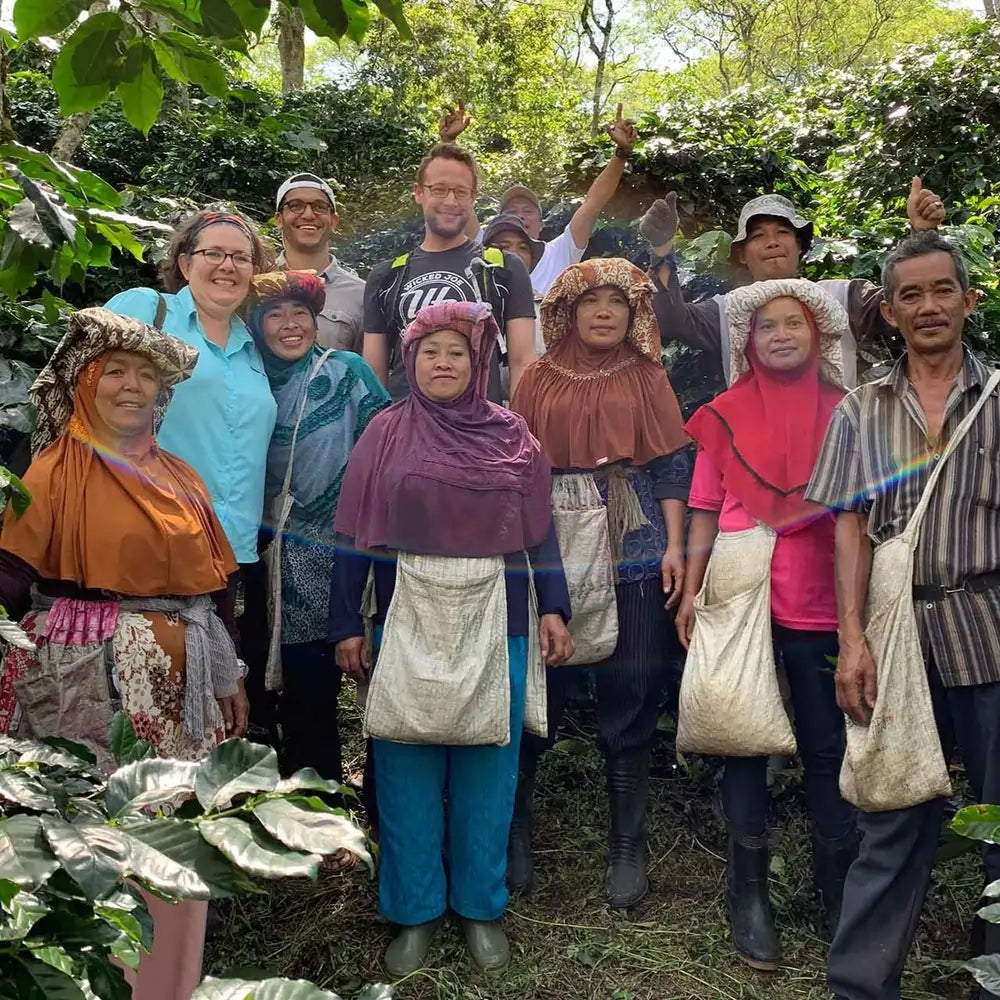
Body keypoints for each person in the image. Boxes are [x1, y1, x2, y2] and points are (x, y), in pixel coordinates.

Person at [0, 307, 246, 1000]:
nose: (133, 387)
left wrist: (229, 676)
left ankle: (168, 984)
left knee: (172, 837)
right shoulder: (52, 473)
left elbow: (217, 591)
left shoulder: (183, 477)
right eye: (115, 372)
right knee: (91, 840)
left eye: (146, 375)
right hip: (82, 695)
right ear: (84, 383)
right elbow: (10, 579)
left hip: (180, 693)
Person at [330, 300, 574, 977]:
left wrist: (555, 608)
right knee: (404, 763)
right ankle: (413, 912)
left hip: (498, 612)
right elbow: (351, 531)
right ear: (410, 361)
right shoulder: (385, 432)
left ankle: (480, 907)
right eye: (430, 351)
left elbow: (540, 530)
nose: (443, 362)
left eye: (457, 352)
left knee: (489, 767)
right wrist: (346, 622)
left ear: (479, 362)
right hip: (406, 608)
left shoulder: (512, 435)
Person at [805, 231, 1000, 1000]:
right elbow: (848, 528)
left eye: (942, 289)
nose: (928, 306)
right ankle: (859, 987)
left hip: (989, 633)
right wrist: (852, 641)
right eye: (910, 295)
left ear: (969, 300)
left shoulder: (999, 399)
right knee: (889, 819)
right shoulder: (860, 409)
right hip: (898, 642)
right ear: (889, 312)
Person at [675, 279, 856, 970]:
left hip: (820, 595)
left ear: (819, 335)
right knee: (741, 736)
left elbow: (864, 514)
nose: (781, 334)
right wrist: (693, 593)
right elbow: (703, 505)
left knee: (826, 742)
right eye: (767, 326)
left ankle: (839, 887)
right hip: (738, 591)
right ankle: (748, 895)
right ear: (747, 343)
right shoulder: (723, 413)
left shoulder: (849, 410)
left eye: (794, 323)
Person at [508, 258, 693, 908]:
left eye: (617, 301)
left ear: (633, 312)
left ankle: (626, 842)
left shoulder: (646, 375)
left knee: (633, 675)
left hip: (631, 533)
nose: (605, 312)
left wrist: (675, 545)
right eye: (592, 301)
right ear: (569, 310)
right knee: (542, 675)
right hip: (552, 536)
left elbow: (671, 465)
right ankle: (515, 829)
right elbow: (516, 466)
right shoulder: (536, 378)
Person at [104, 207, 278, 737]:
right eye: (213, 254)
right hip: (142, 541)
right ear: (184, 263)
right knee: (133, 698)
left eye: (241, 257)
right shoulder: (146, 309)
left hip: (224, 553)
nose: (227, 266)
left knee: (208, 702)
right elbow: (81, 394)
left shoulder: (253, 347)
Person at [247, 269, 389, 854]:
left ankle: (383, 809)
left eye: (300, 314)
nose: (290, 325)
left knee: (381, 682)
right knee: (307, 691)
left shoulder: (346, 371)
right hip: (284, 561)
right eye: (275, 315)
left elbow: (387, 442)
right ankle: (321, 815)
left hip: (358, 553)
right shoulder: (248, 384)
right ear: (256, 326)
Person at [639, 180, 947, 387]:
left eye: (783, 232)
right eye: (758, 236)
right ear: (742, 255)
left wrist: (922, 236)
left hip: (840, 445)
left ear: (800, 245)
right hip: (757, 450)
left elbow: (903, 306)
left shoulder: (843, 295)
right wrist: (661, 250)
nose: (772, 242)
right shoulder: (728, 310)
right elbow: (671, 320)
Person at [362, 143, 536, 404]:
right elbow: (373, 375)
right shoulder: (386, 276)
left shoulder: (503, 267)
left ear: (474, 197)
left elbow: (522, 362)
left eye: (461, 192)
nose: (451, 201)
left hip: (481, 424)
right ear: (419, 193)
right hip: (407, 423)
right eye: (439, 189)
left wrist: (518, 426)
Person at [495, 104, 638, 297]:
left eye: (528, 211)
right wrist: (453, 144)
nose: (520, 217)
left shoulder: (559, 252)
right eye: (512, 212)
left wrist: (622, 153)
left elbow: (592, 205)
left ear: (541, 224)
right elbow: (460, 205)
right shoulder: (482, 258)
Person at [274, 172, 366, 353]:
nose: (308, 215)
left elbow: (368, 366)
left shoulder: (361, 295)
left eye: (320, 207)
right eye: (296, 206)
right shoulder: (256, 284)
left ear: (334, 221)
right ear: (279, 219)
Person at [482, 213, 546, 356]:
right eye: (504, 246)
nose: (514, 254)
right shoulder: (470, 301)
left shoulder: (548, 309)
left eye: (523, 248)